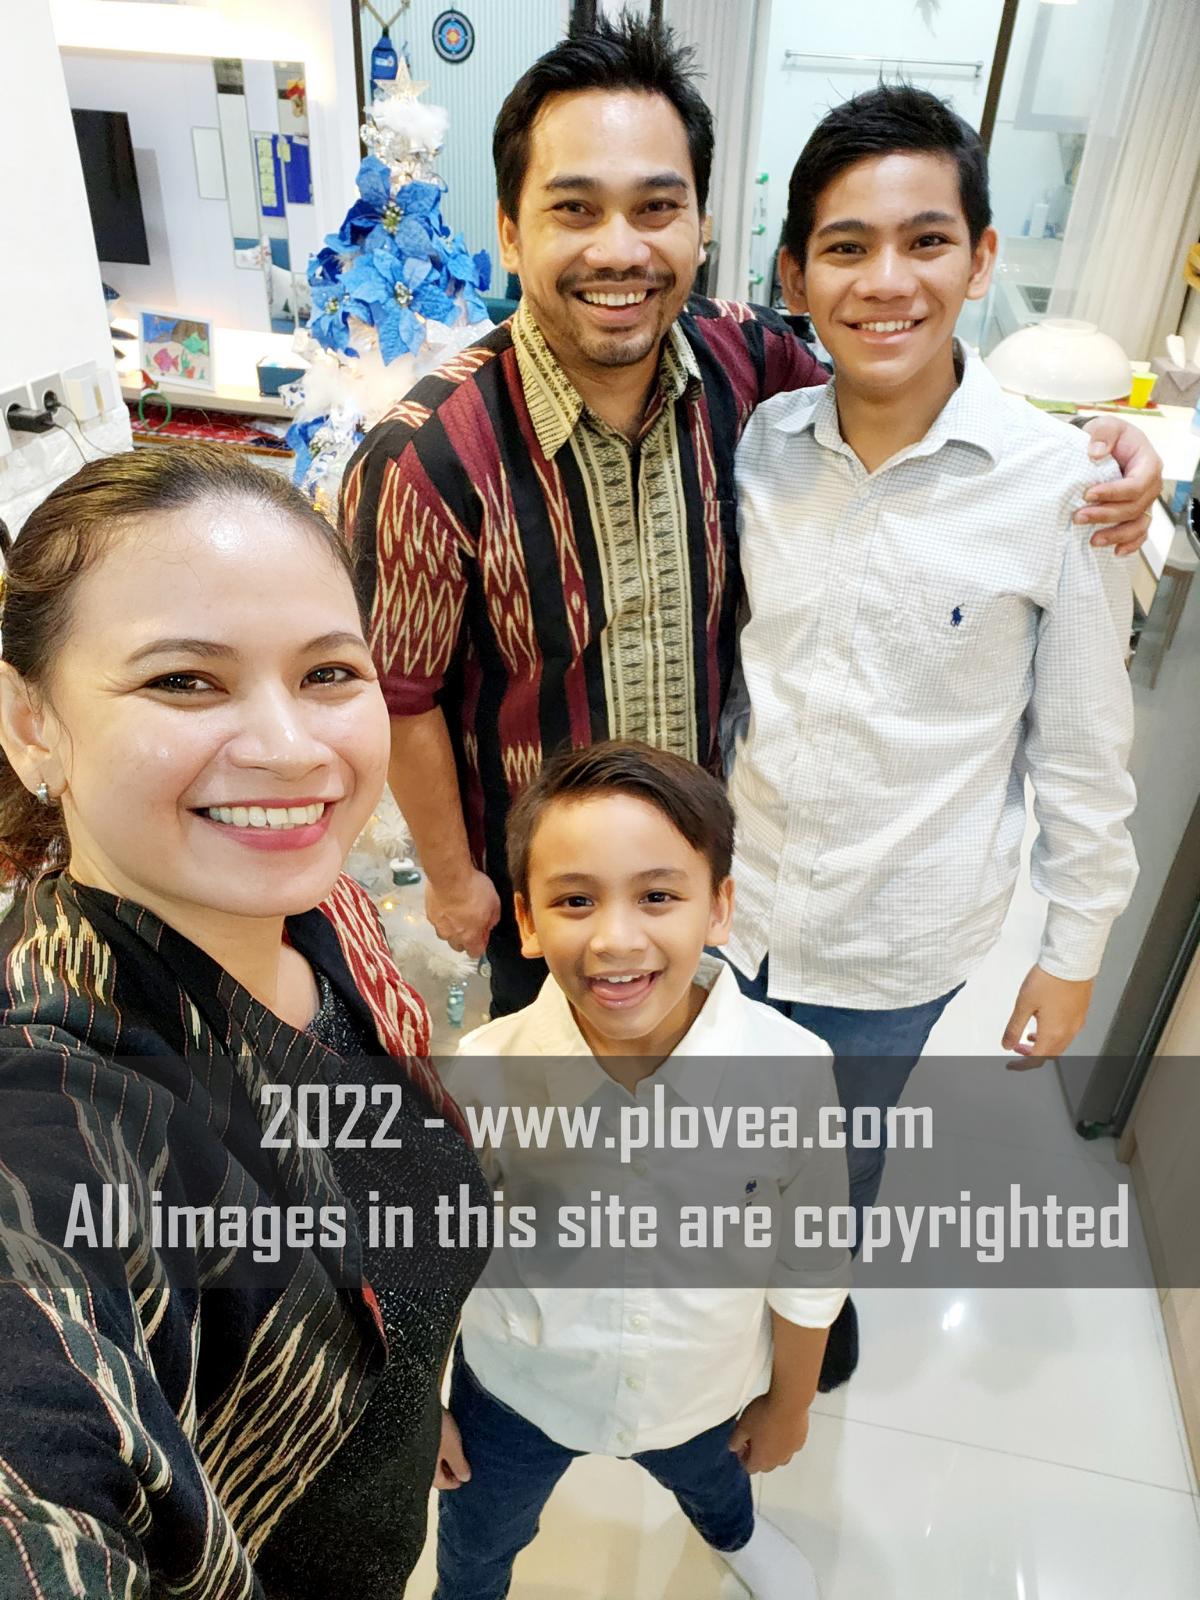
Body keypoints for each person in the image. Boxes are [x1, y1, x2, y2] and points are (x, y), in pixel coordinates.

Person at [342, 12, 1160, 1020]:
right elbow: (403, 696)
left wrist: (1090, 445)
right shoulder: (426, 457)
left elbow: (895, 383)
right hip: (557, 902)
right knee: (573, 1118)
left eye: (657, 207)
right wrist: (454, 879)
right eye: (574, 209)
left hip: (725, 897)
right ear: (511, 230)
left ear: (702, 225)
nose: (620, 249)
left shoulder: (750, 369)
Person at [0, 445, 489, 1598]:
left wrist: (408, 1393)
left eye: (328, 672)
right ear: (30, 723)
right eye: (185, 680)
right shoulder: (56, 1096)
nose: (291, 747)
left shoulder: (328, 916)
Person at [723, 85, 1139, 1375]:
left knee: (842, 1151)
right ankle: (732, 1308)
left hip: (896, 940)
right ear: (796, 273)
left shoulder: (1064, 489)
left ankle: (811, 1322)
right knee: (730, 1134)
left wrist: (1072, 953)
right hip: (735, 905)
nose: (886, 280)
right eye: (846, 246)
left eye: (927, 241)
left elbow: (1083, 748)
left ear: (982, 258)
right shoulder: (759, 445)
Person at [433, 741, 849, 1600]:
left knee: (717, 1488)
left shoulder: (792, 1070)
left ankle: (736, 1534)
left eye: (658, 896)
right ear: (528, 922)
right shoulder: (484, 1072)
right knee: (478, 1537)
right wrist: (414, 1409)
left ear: (720, 906)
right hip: (519, 1387)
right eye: (576, 900)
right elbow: (430, 1254)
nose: (617, 939)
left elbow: (811, 1261)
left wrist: (791, 1401)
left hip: (700, 1389)